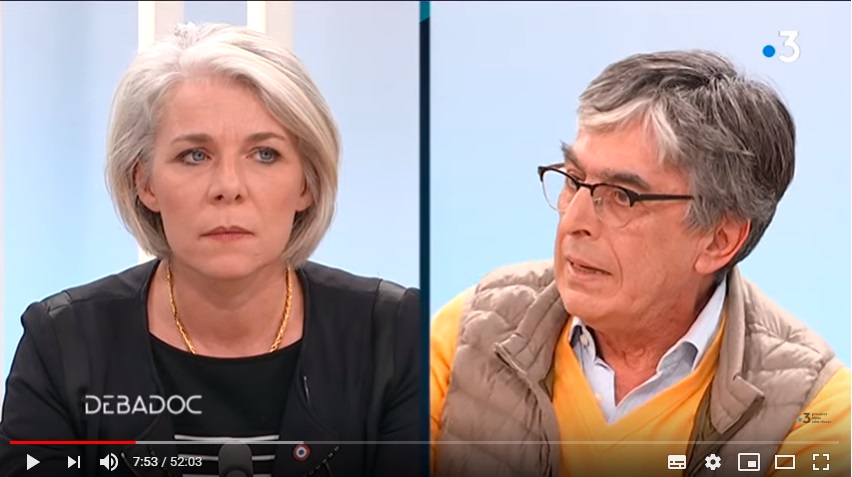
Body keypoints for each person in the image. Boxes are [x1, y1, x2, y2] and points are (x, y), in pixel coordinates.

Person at [0, 23, 421, 477]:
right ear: (145, 183)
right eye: (195, 156)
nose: (228, 187)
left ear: (307, 184)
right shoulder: (63, 343)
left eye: (264, 154)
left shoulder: (392, 336)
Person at [430, 50, 850, 477]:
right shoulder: (469, 330)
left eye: (620, 196)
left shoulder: (812, 409)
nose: (575, 221)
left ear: (718, 240)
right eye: (574, 179)